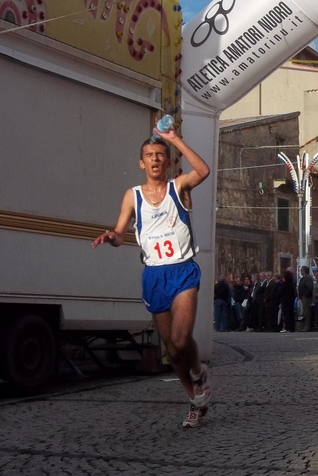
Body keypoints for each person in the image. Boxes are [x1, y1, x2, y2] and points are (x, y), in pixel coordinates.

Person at [91, 126, 212, 428]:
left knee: (181, 339)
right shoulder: (132, 196)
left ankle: (198, 372)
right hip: (154, 275)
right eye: (149, 156)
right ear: (141, 163)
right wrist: (112, 236)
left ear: (168, 162)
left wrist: (173, 139)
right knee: (170, 349)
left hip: (182, 270)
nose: (155, 159)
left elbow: (203, 170)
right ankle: (195, 401)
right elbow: (121, 233)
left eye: (160, 155)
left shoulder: (179, 186)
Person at [298, 266, 314, 332]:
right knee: (305, 312)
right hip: (303, 297)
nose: (301, 271)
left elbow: (310, 287)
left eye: (302, 270)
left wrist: (305, 294)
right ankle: (306, 326)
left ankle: (307, 326)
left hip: (306, 297)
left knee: (306, 312)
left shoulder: (308, 278)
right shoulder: (303, 278)